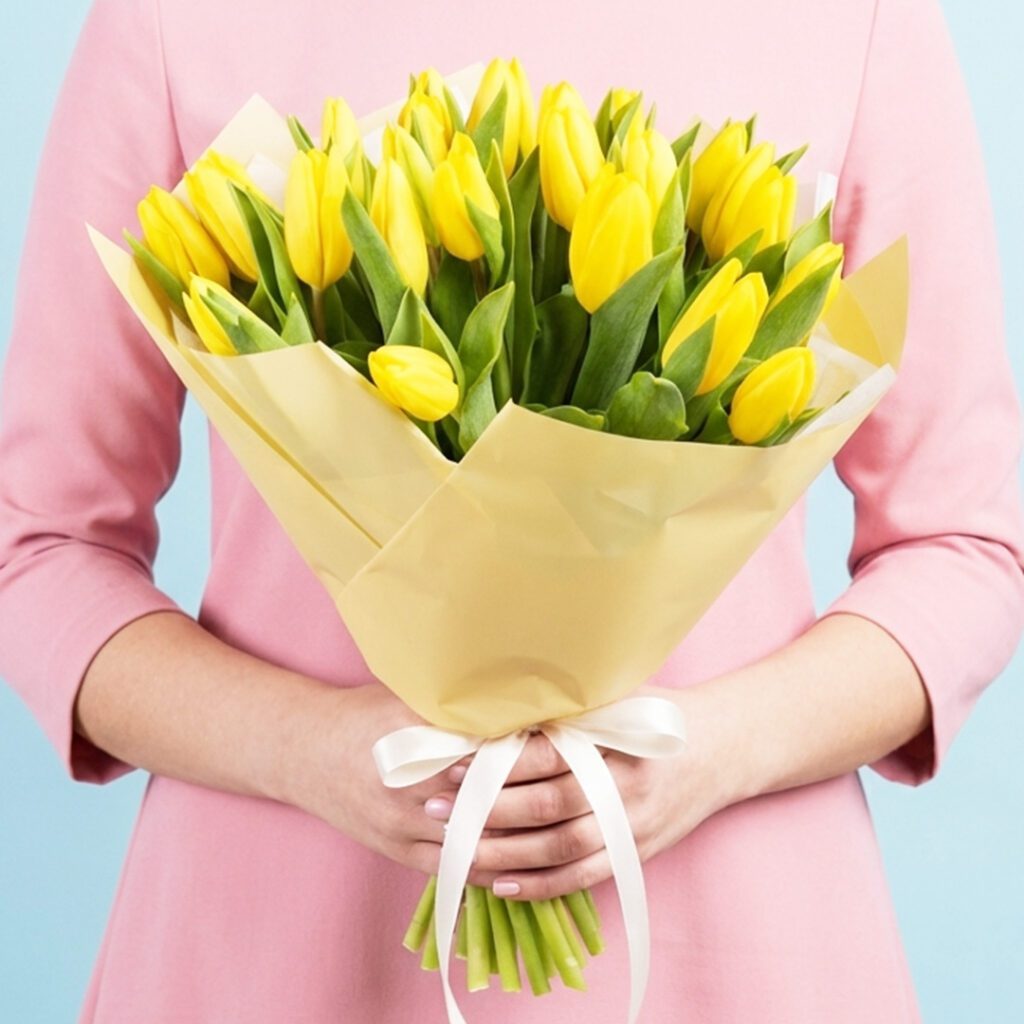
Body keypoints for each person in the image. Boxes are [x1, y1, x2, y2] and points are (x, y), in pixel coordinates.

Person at [1, 0, 1022, 1021]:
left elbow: (965, 544)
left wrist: (710, 750)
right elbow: (38, 546)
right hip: (279, 927)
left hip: (730, 934)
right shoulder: (172, 18)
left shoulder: (856, 18)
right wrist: (300, 748)